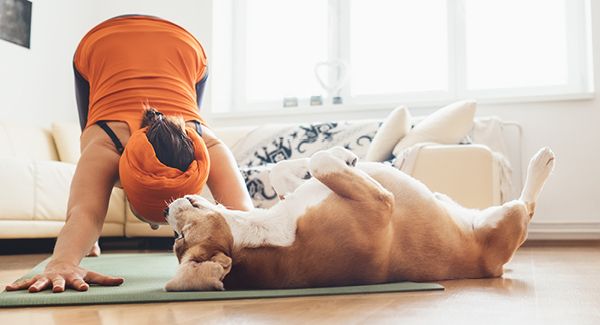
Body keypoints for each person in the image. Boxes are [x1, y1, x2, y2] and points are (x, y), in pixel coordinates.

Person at [5, 15, 253, 293]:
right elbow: (85, 213)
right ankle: (86, 240)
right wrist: (61, 261)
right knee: (89, 136)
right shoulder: (106, 144)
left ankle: (87, 239)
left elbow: (245, 218)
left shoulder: (205, 145)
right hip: (103, 43)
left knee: (92, 147)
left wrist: (65, 258)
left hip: (181, 47)